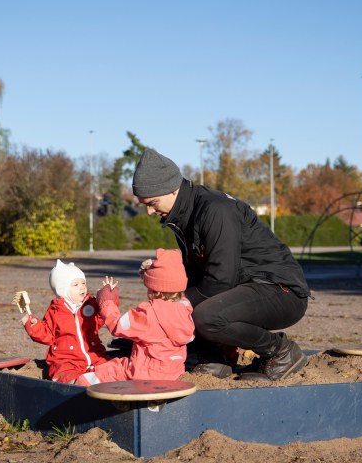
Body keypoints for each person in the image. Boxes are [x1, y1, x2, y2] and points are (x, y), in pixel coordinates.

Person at [131, 148, 311, 381]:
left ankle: (281, 351)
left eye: (152, 202)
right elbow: (197, 276)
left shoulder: (215, 210)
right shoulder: (184, 215)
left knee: (204, 315)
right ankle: (215, 359)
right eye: (143, 204)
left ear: (172, 189)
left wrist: (172, 305)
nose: (148, 211)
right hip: (246, 287)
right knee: (184, 302)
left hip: (280, 290)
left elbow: (219, 280)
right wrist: (160, 274)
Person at [75, 248, 195, 386]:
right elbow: (165, 281)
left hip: (144, 375)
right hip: (172, 374)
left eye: (149, 287)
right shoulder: (185, 307)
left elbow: (118, 325)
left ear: (155, 291)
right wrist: (149, 273)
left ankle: (76, 390)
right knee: (120, 362)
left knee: (110, 369)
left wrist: (106, 302)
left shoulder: (149, 313)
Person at [21, 259, 111, 383]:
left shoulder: (90, 304)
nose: (82, 288)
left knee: (109, 366)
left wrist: (108, 297)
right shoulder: (56, 311)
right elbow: (47, 335)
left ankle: (97, 379)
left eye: (83, 283)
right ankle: (75, 383)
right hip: (66, 359)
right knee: (63, 373)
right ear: (62, 289)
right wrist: (33, 326)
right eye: (76, 285)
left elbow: (103, 315)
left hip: (94, 355)